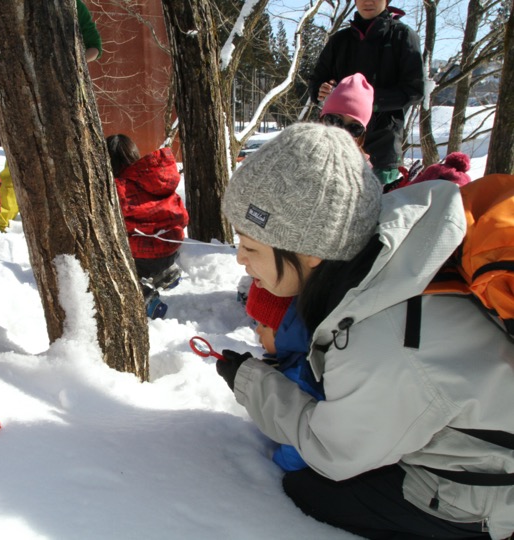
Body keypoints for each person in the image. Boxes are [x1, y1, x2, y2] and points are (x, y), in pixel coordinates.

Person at [218, 122, 514, 539]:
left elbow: (332, 451)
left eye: (250, 247)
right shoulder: (389, 249)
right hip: (480, 448)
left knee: (309, 489)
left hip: (485, 495)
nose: (240, 261)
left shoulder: (385, 339)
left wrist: (252, 383)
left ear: (310, 252)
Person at [0, 0, 102, 233]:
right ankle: (2, 221)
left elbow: (94, 46)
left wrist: (70, 60)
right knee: (19, 160)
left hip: (67, 96)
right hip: (25, 93)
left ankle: (74, 221)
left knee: (70, 160)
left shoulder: (73, 5)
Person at [309, 0, 424, 187]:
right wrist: (321, 91)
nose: (368, 2)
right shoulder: (340, 40)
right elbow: (317, 82)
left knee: (374, 211)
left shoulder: (402, 36)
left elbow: (415, 91)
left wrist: (366, 100)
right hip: (335, 145)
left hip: (382, 147)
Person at [106, 134, 188, 319]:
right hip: (171, 248)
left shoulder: (117, 188)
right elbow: (181, 215)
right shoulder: (155, 181)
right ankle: (164, 273)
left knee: (114, 265)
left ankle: (144, 297)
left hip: (143, 257)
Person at [245, 283, 324, 472]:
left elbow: (302, 440)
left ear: (286, 330)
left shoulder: (300, 377)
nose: (257, 332)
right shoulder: (298, 359)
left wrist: (280, 468)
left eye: (264, 324)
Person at [319, 72, 374, 158]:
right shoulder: (297, 152)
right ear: (322, 119)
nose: (342, 132)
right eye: (334, 121)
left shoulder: (361, 170)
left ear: (361, 137)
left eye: (354, 128)